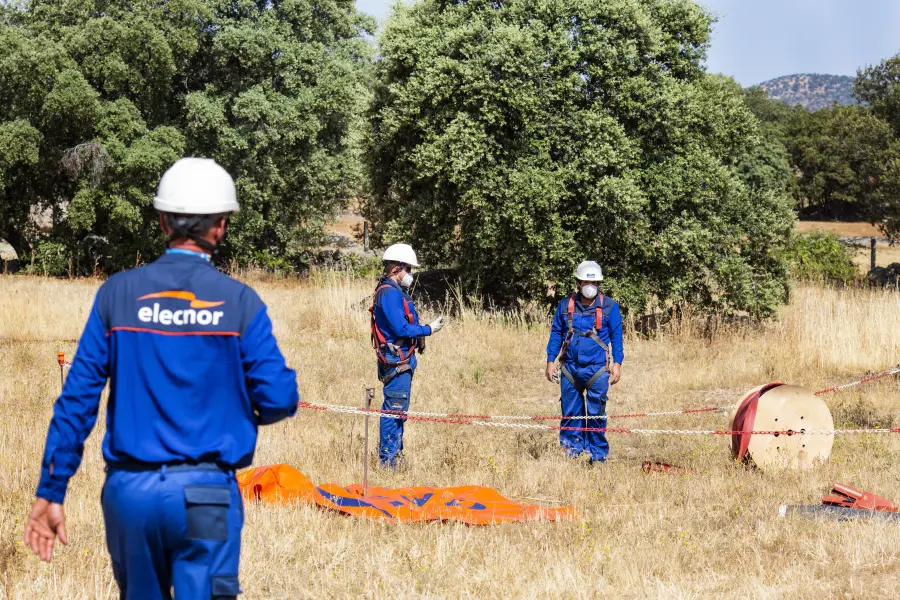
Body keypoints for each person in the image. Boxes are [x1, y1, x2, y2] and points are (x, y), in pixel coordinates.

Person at [23, 158, 299, 599]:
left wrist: (51, 490)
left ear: (162, 220)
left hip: (131, 496)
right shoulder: (240, 302)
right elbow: (280, 398)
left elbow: (77, 400)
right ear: (221, 226)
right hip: (205, 495)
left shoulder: (117, 294)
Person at [370, 244, 445, 467]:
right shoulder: (390, 294)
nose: (410, 275)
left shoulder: (391, 291)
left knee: (399, 410)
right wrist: (428, 330)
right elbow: (400, 329)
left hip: (401, 358)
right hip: (397, 360)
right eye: (408, 270)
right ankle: (387, 462)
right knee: (394, 410)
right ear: (396, 268)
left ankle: (395, 456)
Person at [545, 261, 624, 463]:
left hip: (597, 370)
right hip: (570, 368)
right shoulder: (565, 305)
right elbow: (556, 333)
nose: (591, 286)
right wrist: (550, 360)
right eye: (587, 282)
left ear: (599, 283)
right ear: (578, 282)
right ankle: (571, 453)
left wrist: (617, 363)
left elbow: (617, 337)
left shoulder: (609, 307)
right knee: (570, 413)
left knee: (596, 414)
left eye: (595, 282)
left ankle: (596, 457)